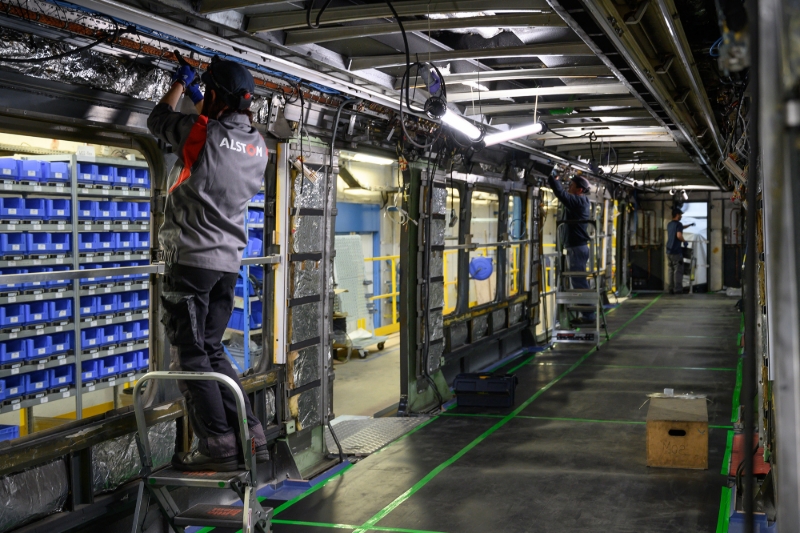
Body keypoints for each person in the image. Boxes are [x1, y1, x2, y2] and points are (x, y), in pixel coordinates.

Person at [148, 57, 269, 472]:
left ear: (215, 95)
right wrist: (204, 98)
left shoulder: (202, 132)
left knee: (191, 354)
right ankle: (251, 433)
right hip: (227, 265)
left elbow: (159, 119)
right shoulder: (259, 146)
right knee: (213, 349)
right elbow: (220, 133)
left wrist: (180, 84)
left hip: (191, 260)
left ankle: (218, 444)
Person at [548, 170, 595, 324]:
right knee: (578, 281)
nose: (569, 187)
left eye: (572, 185)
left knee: (579, 282)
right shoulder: (581, 201)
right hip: (577, 247)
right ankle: (586, 314)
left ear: (579, 189)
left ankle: (588, 316)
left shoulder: (579, 201)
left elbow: (562, 195)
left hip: (577, 248)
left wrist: (553, 178)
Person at [666, 208, 692, 295]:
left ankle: (670, 289)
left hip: (668, 251)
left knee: (671, 270)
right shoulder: (679, 224)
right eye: (680, 214)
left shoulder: (669, 224)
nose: (681, 216)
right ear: (677, 215)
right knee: (678, 270)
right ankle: (677, 290)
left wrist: (689, 225)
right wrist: (684, 241)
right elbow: (679, 235)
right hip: (676, 251)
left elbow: (679, 228)